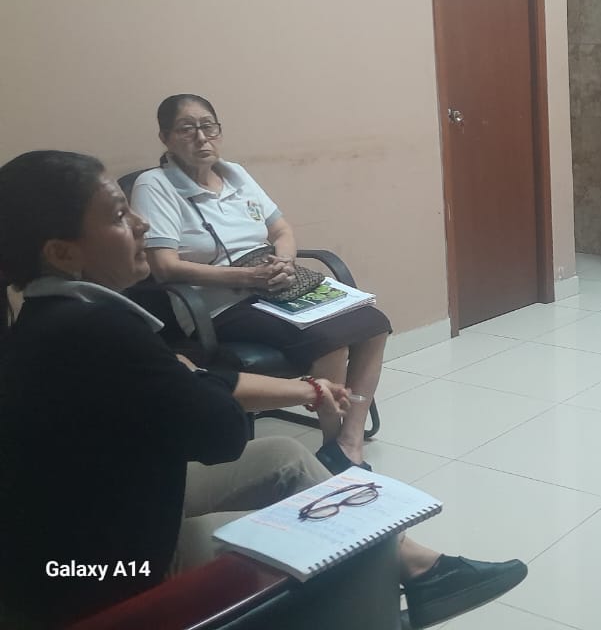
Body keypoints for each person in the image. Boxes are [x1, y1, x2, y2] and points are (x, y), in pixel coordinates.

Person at [0, 151, 526, 628]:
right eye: (119, 216)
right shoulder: (99, 331)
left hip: (107, 515)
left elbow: (195, 385)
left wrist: (304, 389)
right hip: (106, 571)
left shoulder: (56, 316)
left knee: (282, 455)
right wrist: (188, 375)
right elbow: (220, 434)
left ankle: (422, 569)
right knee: (338, 542)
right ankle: (385, 596)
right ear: (62, 252)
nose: (142, 224)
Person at [130, 94, 385, 474]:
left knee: (374, 323)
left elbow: (281, 230)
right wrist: (246, 277)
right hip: (216, 303)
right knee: (332, 338)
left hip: (273, 283)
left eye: (208, 127)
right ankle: (334, 447)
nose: (201, 137)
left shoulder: (235, 173)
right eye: (187, 129)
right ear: (165, 137)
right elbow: (164, 267)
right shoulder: (155, 185)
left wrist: (284, 262)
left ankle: (349, 441)